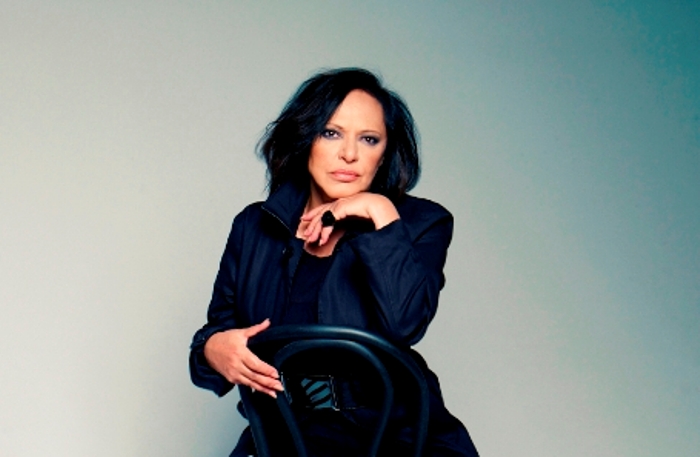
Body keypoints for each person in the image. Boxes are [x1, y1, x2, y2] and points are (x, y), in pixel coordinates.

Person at [189, 68, 479, 456]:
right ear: (305, 138)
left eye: (369, 139)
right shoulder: (254, 226)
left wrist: (380, 214)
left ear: (384, 153)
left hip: (392, 440)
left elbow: (405, 324)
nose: (350, 154)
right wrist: (213, 348)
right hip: (284, 434)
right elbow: (217, 332)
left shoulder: (421, 224)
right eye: (331, 133)